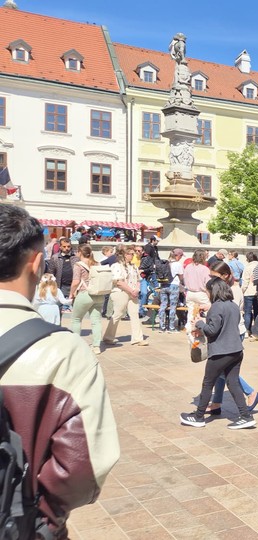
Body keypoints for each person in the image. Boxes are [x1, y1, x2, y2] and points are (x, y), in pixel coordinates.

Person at [0, 205, 119, 537]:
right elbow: (86, 466)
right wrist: (42, 515)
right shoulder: (62, 352)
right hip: (19, 521)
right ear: (36, 263)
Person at [180, 277, 256, 429]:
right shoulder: (233, 306)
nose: (207, 294)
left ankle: (199, 416)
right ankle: (246, 416)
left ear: (213, 291)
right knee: (233, 382)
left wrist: (200, 323)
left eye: (208, 291)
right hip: (236, 350)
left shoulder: (216, 307)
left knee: (208, 383)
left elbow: (212, 331)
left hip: (221, 352)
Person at [204, 262, 258, 417]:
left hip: (233, 332)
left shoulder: (232, 291)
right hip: (228, 331)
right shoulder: (224, 290)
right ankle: (216, 403)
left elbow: (227, 313)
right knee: (221, 370)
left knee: (223, 370)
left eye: (214, 277)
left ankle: (250, 392)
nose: (211, 280)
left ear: (225, 276)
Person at [102, 245, 147, 347]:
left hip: (133, 293)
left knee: (134, 314)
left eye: (133, 253)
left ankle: (138, 338)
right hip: (120, 292)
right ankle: (108, 337)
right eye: (130, 253)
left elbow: (139, 279)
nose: (132, 255)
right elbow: (118, 282)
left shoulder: (134, 266)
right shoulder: (117, 266)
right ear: (123, 254)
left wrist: (136, 289)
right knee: (118, 313)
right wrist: (131, 290)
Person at [69, 244, 106, 353]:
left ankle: (76, 346)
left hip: (85, 293)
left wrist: (71, 293)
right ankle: (96, 346)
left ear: (80, 252)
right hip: (98, 295)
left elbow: (76, 281)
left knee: (76, 319)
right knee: (96, 321)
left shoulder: (78, 265)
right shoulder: (97, 263)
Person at [182, 250, 211, 335]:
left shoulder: (188, 267)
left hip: (190, 292)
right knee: (205, 312)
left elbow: (184, 280)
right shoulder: (205, 269)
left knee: (191, 312)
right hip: (201, 293)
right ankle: (203, 329)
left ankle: (190, 329)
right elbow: (208, 284)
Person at [158, 248, 185, 333]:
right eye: (181, 256)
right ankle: (171, 327)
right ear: (178, 255)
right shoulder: (178, 264)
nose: (181, 258)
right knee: (173, 307)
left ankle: (161, 327)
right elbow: (181, 276)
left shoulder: (165, 263)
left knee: (163, 306)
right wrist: (182, 282)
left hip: (163, 285)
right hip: (173, 286)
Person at [46, 237, 77, 301]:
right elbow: (50, 273)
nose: (66, 248)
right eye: (64, 246)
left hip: (73, 286)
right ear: (60, 247)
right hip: (61, 286)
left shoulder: (75, 257)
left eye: (68, 246)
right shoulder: (55, 258)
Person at [241, 252, 258, 336]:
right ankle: (256, 330)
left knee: (247, 312)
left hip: (248, 291)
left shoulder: (247, 267)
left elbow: (245, 281)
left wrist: (242, 291)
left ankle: (247, 330)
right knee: (257, 311)